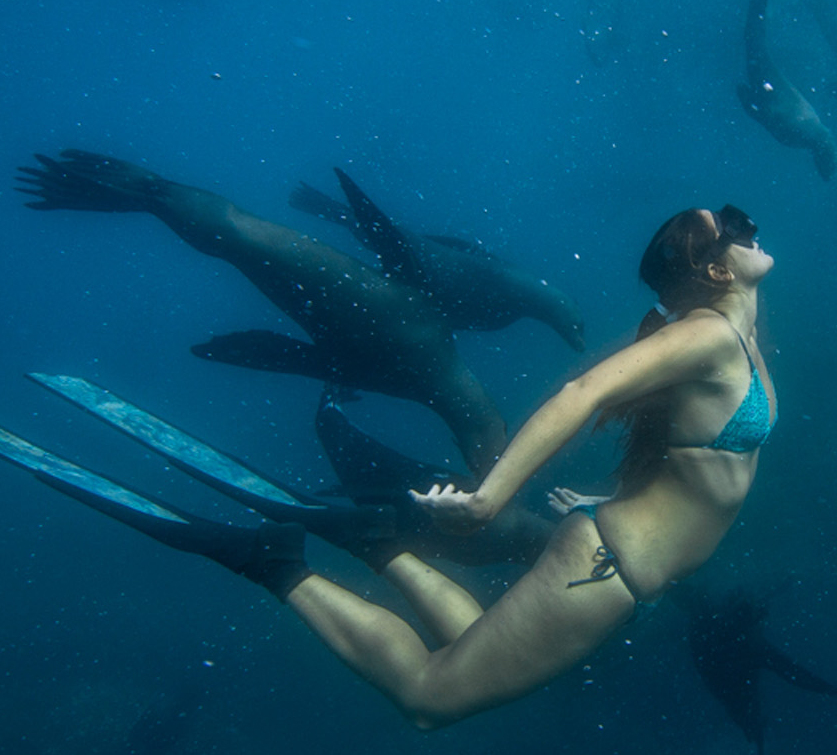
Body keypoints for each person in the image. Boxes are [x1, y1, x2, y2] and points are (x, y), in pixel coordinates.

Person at [288, 204, 776, 728]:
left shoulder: (740, 329)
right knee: (428, 699)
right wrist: (488, 500)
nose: (749, 228)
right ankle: (276, 565)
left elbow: (688, 444)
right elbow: (582, 392)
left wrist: (613, 499)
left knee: (470, 644)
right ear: (719, 271)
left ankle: (380, 545)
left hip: (621, 561)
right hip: (608, 568)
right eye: (734, 228)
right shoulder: (709, 337)